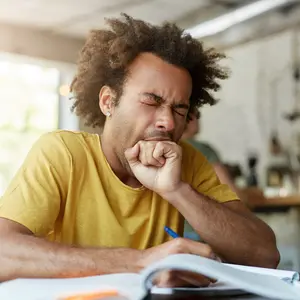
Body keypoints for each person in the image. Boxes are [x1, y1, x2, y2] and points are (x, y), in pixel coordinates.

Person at [0, 14, 279, 285]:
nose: (168, 122)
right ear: (108, 102)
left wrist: (177, 190)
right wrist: (140, 263)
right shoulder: (63, 153)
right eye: (151, 101)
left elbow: (265, 256)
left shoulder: (187, 162)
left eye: (179, 109)